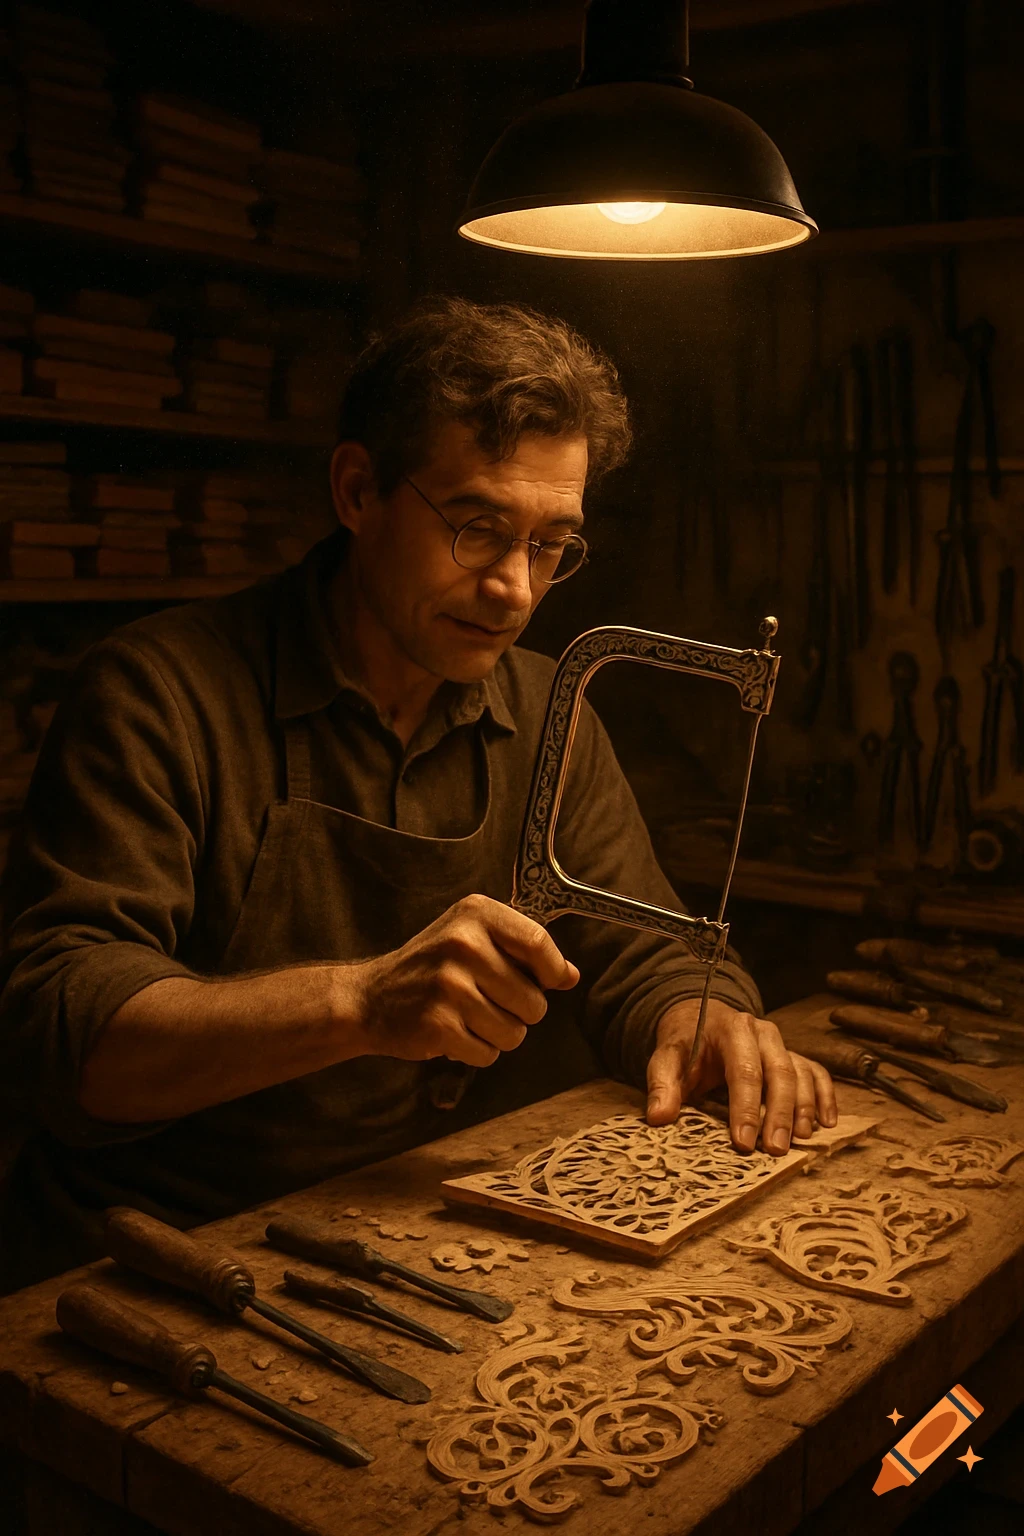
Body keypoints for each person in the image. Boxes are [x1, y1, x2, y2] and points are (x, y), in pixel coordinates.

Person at [0, 296, 834, 1292]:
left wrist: (697, 1021)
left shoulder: (547, 710)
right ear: (357, 491)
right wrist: (358, 1002)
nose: (517, 591)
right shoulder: (158, 692)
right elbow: (63, 1040)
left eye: (550, 543)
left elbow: (644, 949)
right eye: (478, 528)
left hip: (396, 1235)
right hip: (144, 1259)